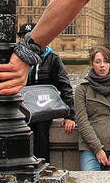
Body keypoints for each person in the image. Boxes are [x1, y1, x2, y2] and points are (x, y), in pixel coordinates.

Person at [73, 46, 110, 171]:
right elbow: (82, 122)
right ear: (92, 64)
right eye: (98, 62)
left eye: (106, 61)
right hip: (90, 147)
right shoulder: (82, 88)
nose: (102, 65)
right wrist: (97, 149)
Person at [24, 37, 76, 165]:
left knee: (41, 130)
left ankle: (42, 166)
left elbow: (65, 86)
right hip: (23, 107)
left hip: (43, 107)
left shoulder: (52, 58)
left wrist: (69, 115)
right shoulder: (19, 59)